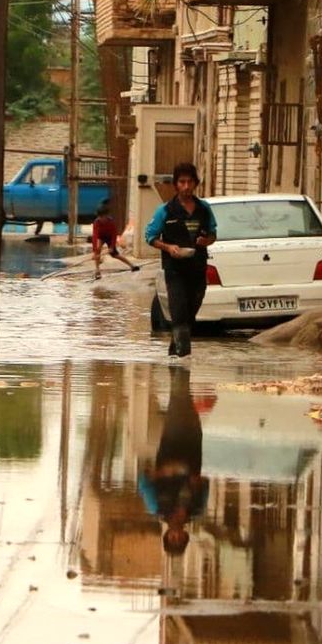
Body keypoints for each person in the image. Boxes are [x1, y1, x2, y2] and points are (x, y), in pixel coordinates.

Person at [144, 162, 217, 357]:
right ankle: (183, 366)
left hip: (197, 269)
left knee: (189, 316)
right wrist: (168, 247)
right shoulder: (165, 211)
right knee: (179, 315)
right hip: (175, 271)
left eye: (189, 182)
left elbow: (213, 234)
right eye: (182, 182)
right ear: (176, 185)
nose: (186, 186)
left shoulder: (204, 209)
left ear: (195, 184)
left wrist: (206, 241)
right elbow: (150, 237)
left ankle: (174, 358)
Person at [138, 366, 208, 555]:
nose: (176, 536)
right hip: (193, 448)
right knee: (187, 404)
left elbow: (143, 483)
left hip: (171, 444)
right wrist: (196, 481)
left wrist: (162, 473)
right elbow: (206, 485)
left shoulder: (157, 507)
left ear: (167, 535)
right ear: (185, 537)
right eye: (179, 540)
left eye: (172, 539)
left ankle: (179, 365)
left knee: (178, 401)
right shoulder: (196, 509)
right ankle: (180, 364)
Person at [90, 200, 140, 280]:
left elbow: (114, 235)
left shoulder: (111, 222)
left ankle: (131, 265)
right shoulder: (97, 222)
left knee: (115, 254)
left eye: (102, 217)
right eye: (99, 217)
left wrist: (112, 247)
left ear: (106, 215)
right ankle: (97, 270)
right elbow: (95, 236)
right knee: (97, 251)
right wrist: (94, 250)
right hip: (101, 237)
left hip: (110, 237)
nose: (101, 219)